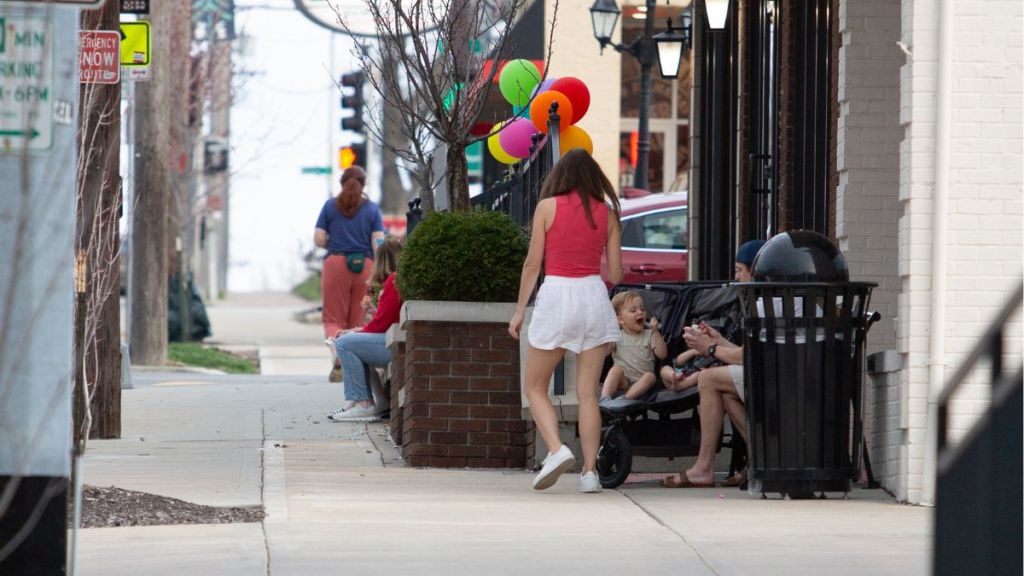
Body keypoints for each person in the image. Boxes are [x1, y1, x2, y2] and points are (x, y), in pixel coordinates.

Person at [508, 149, 623, 493]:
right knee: (588, 395)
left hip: (557, 295)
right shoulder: (609, 214)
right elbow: (615, 273)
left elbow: (532, 265)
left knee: (534, 387)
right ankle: (590, 474)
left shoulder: (547, 207)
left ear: (560, 175)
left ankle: (557, 451)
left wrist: (517, 312)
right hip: (593, 296)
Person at [660, 239, 765, 488]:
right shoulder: (774, 298)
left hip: (777, 381)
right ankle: (763, 459)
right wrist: (718, 340)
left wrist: (710, 348)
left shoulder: (764, 304)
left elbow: (749, 357)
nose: (736, 277)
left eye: (740, 271)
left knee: (708, 378)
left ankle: (703, 467)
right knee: (724, 391)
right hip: (785, 376)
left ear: (756, 272)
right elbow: (751, 352)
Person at [314, 165, 385, 381]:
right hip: (364, 265)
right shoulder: (372, 210)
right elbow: (378, 243)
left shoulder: (329, 207)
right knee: (358, 319)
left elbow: (318, 239)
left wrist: (334, 240)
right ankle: (353, 366)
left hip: (336, 263)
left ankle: (337, 354)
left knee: (333, 318)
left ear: (342, 182)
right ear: (363, 185)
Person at [328, 236, 403, 422]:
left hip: (392, 342)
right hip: (393, 339)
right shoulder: (396, 280)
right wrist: (360, 327)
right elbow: (385, 319)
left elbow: (381, 324)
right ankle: (376, 401)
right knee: (351, 344)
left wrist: (356, 331)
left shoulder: (393, 280)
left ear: (383, 259)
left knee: (344, 343)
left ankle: (363, 403)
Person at [600, 291, 667, 403]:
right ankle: (604, 398)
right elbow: (604, 353)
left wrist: (656, 332)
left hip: (643, 380)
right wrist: (609, 335)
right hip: (623, 380)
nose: (640, 312)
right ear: (621, 320)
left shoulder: (649, 334)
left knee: (650, 376)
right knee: (615, 370)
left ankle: (625, 399)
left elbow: (662, 354)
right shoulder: (616, 336)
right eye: (633, 310)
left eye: (643, 309)